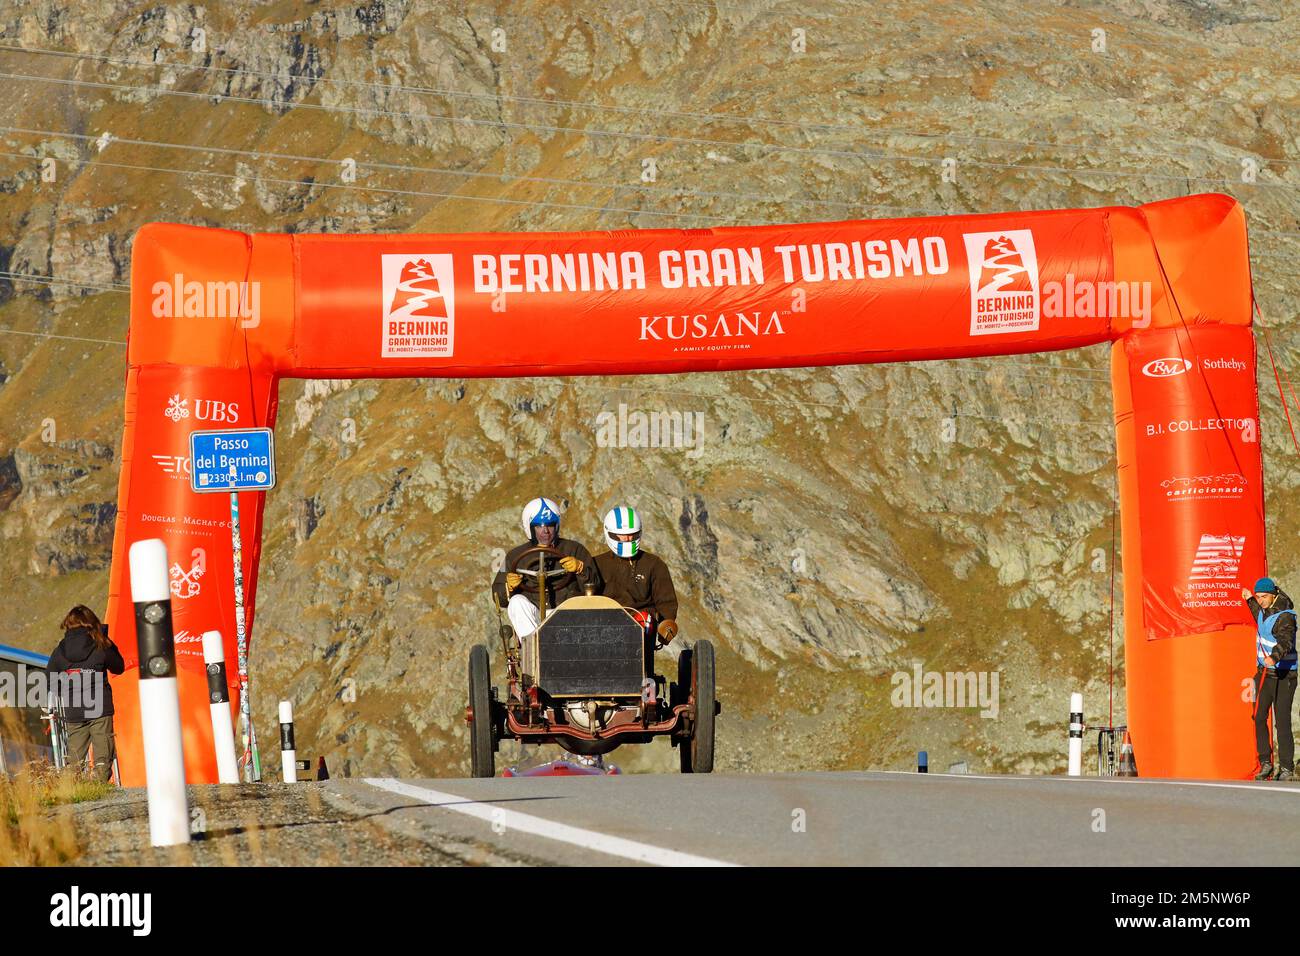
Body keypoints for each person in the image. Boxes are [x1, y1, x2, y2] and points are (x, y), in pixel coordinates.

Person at [492, 497, 600, 639]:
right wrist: (508, 586)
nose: (545, 531)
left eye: (550, 525)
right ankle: (535, 648)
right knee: (516, 602)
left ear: (557, 526)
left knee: (576, 602)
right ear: (529, 527)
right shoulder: (515, 556)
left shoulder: (574, 549)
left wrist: (580, 569)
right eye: (539, 526)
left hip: (565, 614)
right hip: (533, 616)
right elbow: (498, 595)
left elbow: (595, 587)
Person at [47, 605, 124, 783]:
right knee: (102, 754)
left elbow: (49, 677)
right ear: (91, 622)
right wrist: (106, 639)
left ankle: (70, 791)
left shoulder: (61, 649)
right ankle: (98, 787)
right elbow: (118, 667)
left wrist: (64, 693)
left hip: (73, 708)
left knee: (74, 758)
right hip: (99, 707)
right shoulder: (100, 643)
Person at [593, 505, 680, 648]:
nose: (627, 538)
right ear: (610, 533)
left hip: (641, 626)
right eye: (621, 535)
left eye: (632, 534)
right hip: (602, 626)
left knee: (644, 621)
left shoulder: (654, 564)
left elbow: (666, 602)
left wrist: (666, 625)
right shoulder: (596, 564)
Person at [1243, 578, 1297, 781]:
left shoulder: (1285, 617)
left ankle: (1286, 768)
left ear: (1274, 595)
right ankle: (1265, 762)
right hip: (1264, 673)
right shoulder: (1263, 609)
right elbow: (1257, 611)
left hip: (1284, 675)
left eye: (1264, 597)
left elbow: (1285, 641)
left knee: (1281, 722)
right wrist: (1250, 599)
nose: (1261, 600)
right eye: (1259, 597)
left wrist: (1274, 657)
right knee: (1258, 717)